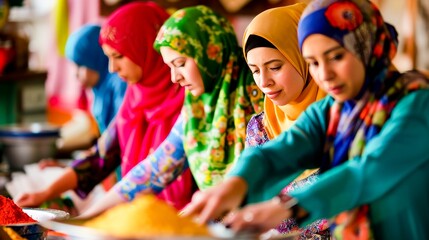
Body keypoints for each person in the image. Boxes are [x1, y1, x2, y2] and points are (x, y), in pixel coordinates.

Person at [181, 0, 429, 239]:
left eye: (336, 57)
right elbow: (277, 153)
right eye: (313, 63)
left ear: (367, 46)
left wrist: (289, 208)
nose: (325, 74)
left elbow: (366, 173)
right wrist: (234, 185)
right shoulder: (334, 110)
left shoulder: (417, 104)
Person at [77, 5, 264, 218]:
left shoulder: (258, 90)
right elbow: (157, 168)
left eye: (181, 63)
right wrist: (87, 218)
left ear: (210, 51)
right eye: (170, 67)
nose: (175, 78)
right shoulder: (197, 106)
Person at [15, 1, 195, 213]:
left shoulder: (192, 97)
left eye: (118, 56)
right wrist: (46, 193)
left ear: (147, 46)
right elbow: (102, 155)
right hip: (137, 217)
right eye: (108, 58)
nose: (112, 68)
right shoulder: (134, 98)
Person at [242, 4, 329, 239]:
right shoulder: (260, 128)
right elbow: (251, 193)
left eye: (274, 67)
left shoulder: (345, 121)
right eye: (255, 70)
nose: (264, 82)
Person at [65, 24, 127, 134]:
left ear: (96, 59)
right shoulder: (100, 89)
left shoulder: (120, 83)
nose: (75, 74)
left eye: (80, 65)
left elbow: (121, 132)